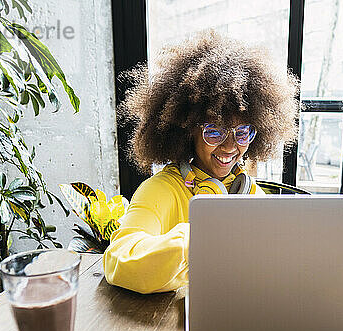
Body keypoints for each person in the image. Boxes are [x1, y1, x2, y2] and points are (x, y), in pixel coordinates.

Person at [104, 32, 300, 294]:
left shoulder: (247, 191)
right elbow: (120, 260)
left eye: (242, 132)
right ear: (188, 131)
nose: (231, 147)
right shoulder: (160, 190)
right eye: (214, 131)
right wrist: (202, 236)